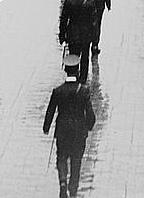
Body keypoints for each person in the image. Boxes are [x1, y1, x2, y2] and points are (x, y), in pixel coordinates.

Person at [43, 55, 96, 198]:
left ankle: (62, 183)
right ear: (77, 71)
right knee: (76, 159)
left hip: (62, 130)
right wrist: (89, 126)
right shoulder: (84, 91)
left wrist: (46, 127)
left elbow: (50, 111)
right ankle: (73, 188)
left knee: (61, 156)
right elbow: (90, 114)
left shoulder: (58, 91)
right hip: (79, 132)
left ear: (66, 70)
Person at [59, 0, 97, 84]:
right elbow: (94, 22)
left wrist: (62, 35)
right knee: (85, 57)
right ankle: (83, 80)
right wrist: (94, 39)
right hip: (85, 35)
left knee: (74, 56)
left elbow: (63, 19)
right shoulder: (90, 2)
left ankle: (73, 76)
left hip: (72, 34)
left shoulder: (69, 0)